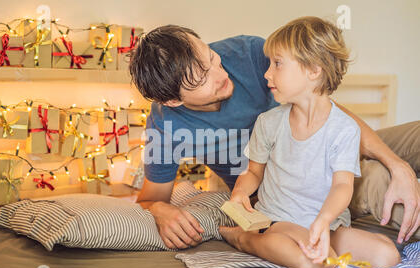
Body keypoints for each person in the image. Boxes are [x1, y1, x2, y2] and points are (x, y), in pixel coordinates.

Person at [129, 24, 419, 250]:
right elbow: (151, 198)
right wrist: (160, 210)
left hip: (333, 145)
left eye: (211, 58)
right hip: (308, 187)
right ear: (173, 101)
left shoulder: (249, 53)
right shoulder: (165, 128)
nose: (220, 73)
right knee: (380, 180)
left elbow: (327, 109)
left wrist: (398, 165)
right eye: (203, 78)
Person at [218, 16, 401, 268]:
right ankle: (244, 238)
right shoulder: (268, 123)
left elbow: (342, 185)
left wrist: (323, 221)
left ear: (314, 70)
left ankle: (316, 244)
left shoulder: (345, 129)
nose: (267, 73)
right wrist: (239, 193)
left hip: (326, 226)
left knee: (387, 255)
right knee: (315, 263)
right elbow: (253, 172)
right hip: (277, 221)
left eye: (277, 64)